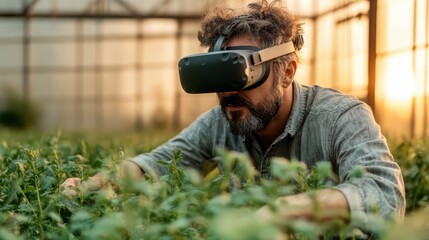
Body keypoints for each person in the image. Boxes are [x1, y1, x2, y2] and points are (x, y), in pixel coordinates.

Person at [62, 0, 405, 235]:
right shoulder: (222, 121)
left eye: (240, 72)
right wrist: (88, 186)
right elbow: (156, 163)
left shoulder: (340, 117)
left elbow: (385, 193)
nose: (228, 92)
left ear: (287, 71)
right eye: (218, 77)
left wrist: (284, 212)